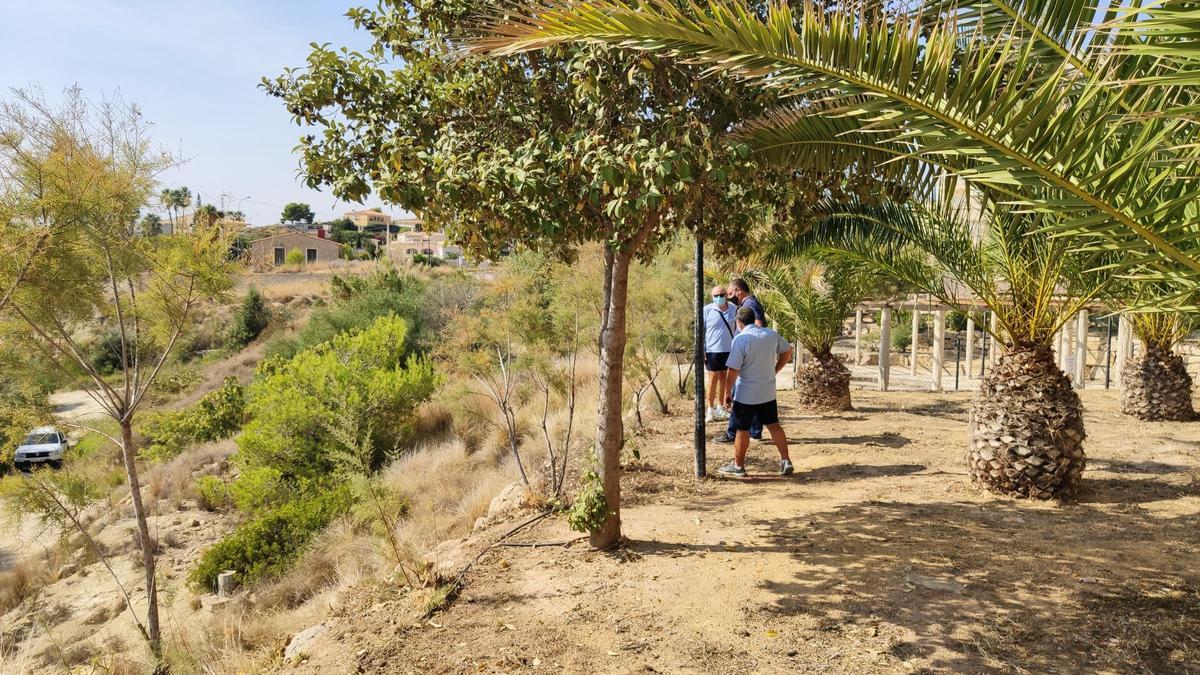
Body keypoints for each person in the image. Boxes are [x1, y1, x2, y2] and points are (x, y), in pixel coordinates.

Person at [716, 306, 794, 477]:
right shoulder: (771, 335)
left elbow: (733, 369)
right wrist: (776, 369)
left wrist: (727, 392)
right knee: (774, 425)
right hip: (767, 391)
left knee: (742, 429)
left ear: (739, 322)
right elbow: (788, 350)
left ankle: (738, 466)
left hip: (746, 394)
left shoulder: (741, 339)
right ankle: (785, 460)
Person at [715, 277, 766, 443]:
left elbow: (757, 325)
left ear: (739, 291)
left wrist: (746, 348)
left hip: (746, 357)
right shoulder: (750, 303)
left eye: (730, 293)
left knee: (738, 396)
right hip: (751, 357)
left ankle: (732, 433)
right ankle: (755, 432)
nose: (729, 297)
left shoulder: (749, 305)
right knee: (755, 396)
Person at [703, 285, 737, 422]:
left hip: (729, 349)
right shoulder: (707, 310)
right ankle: (710, 410)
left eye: (721, 295)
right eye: (715, 295)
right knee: (712, 379)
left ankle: (721, 408)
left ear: (726, 295)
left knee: (725, 378)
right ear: (712, 297)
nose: (719, 298)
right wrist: (702, 349)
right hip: (712, 350)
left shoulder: (734, 309)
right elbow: (701, 330)